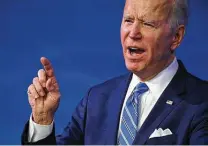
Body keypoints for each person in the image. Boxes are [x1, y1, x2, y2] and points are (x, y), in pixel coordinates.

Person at [22, 0, 208, 145]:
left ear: (176, 37)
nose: (133, 33)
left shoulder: (202, 103)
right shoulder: (96, 99)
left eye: (148, 24)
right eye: (128, 20)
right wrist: (42, 119)